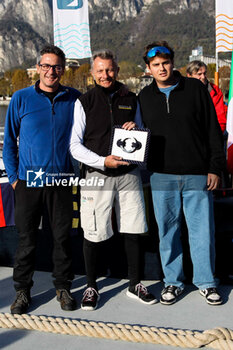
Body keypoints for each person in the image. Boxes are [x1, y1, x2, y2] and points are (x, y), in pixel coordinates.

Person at [138, 41, 225, 306]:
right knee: (167, 232)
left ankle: (207, 282)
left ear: (173, 63)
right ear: (148, 68)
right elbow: (139, 137)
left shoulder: (196, 89)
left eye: (165, 63)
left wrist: (214, 167)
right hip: (161, 175)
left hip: (197, 174)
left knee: (202, 231)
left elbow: (213, 130)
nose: (162, 68)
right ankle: (173, 282)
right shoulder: (143, 97)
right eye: (156, 65)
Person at [70, 49, 157, 310]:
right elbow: (74, 146)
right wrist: (101, 161)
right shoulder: (84, 101)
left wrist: (138, 130)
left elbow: (143, 137)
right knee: (93, 233)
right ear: (92, 73)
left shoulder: (131, 97)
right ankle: (91, 287)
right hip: (96, 175)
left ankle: (134, 284)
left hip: (128, 174)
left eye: (109, 70)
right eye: (100, 71)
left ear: (116, 70)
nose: (105, 75)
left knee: (133, 229)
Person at [3, 44, 81, 314]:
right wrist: (14, 178)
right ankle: (22, 292)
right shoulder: (21, 98)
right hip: (28, 181)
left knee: (61, 238)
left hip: (61, 180)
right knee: (27, 241)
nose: (51, 71)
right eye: (46, 66)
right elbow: (9, 143)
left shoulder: (74, 98)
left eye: (57, 66)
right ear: (38, 68)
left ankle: (63, 288)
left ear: (63, 69)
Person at [186, 60, 226, 132]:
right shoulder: (181, 91)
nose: (203, 77)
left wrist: (216, 137)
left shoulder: (215, 91)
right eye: (199, 74)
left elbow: (220, 119)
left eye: (204, 73)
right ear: (189, 75)